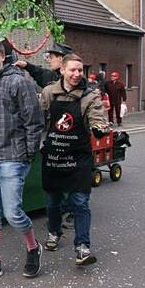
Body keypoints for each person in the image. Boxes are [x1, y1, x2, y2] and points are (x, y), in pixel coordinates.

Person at [0, 38, 44, 281]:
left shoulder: (18, 82)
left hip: (13, 157)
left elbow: (34, 121)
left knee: (12, 213)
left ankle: (33, 248)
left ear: (3, 57)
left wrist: (28, 155)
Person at [40, 53, 108, 266]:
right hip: (53, 157)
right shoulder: (49, 92)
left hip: (78, 159)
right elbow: (38, 120)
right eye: (73, 70)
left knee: (80, 203)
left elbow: (97, 117)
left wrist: (99, 128)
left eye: (80, 70)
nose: (77, 74)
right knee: (52, 202)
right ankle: (53, 232)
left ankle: (82, 247)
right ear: (62, 70)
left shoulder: (90, 97)